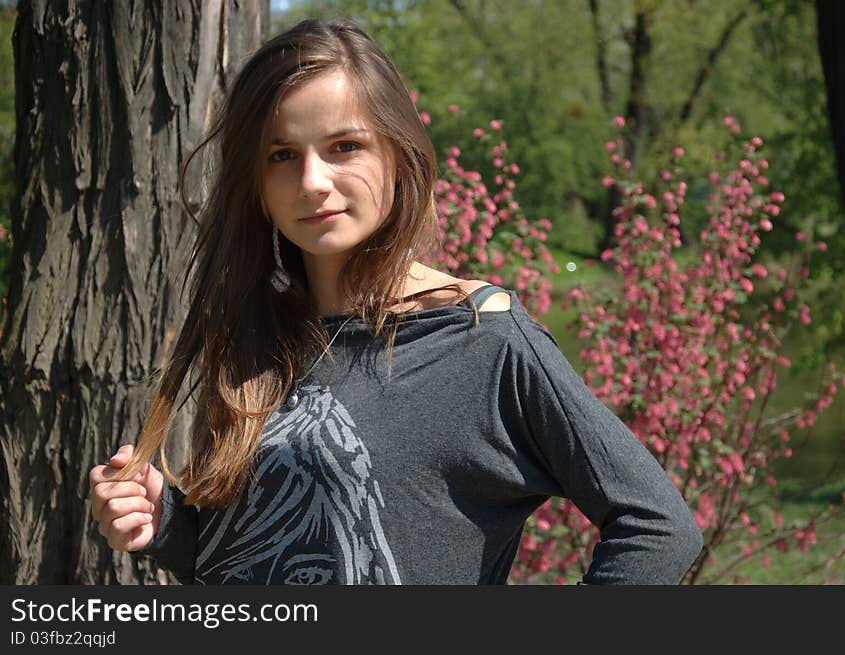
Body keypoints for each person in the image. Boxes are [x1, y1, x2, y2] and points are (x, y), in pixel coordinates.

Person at [88, 18, 703, 585]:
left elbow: (658, 528)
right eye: (281, 155)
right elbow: (259, 563)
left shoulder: (483, 339)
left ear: (397, 153)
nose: (312, 181)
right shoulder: (254, 338)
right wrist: (162, 525)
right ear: (256, 182)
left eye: (344, 146)